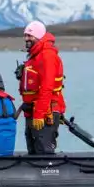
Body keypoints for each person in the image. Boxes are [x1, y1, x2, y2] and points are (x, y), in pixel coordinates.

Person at [16, 20, 66, 155]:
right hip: (33, 111)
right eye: (25, 35)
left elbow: (47, 87)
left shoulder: (47, 56)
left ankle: (50, 174)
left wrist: (39, 114)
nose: (26, 39)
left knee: (43, 151)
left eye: (29, 36)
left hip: (44, 113)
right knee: (33, 150)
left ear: (38, 36)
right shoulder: (36, 56)